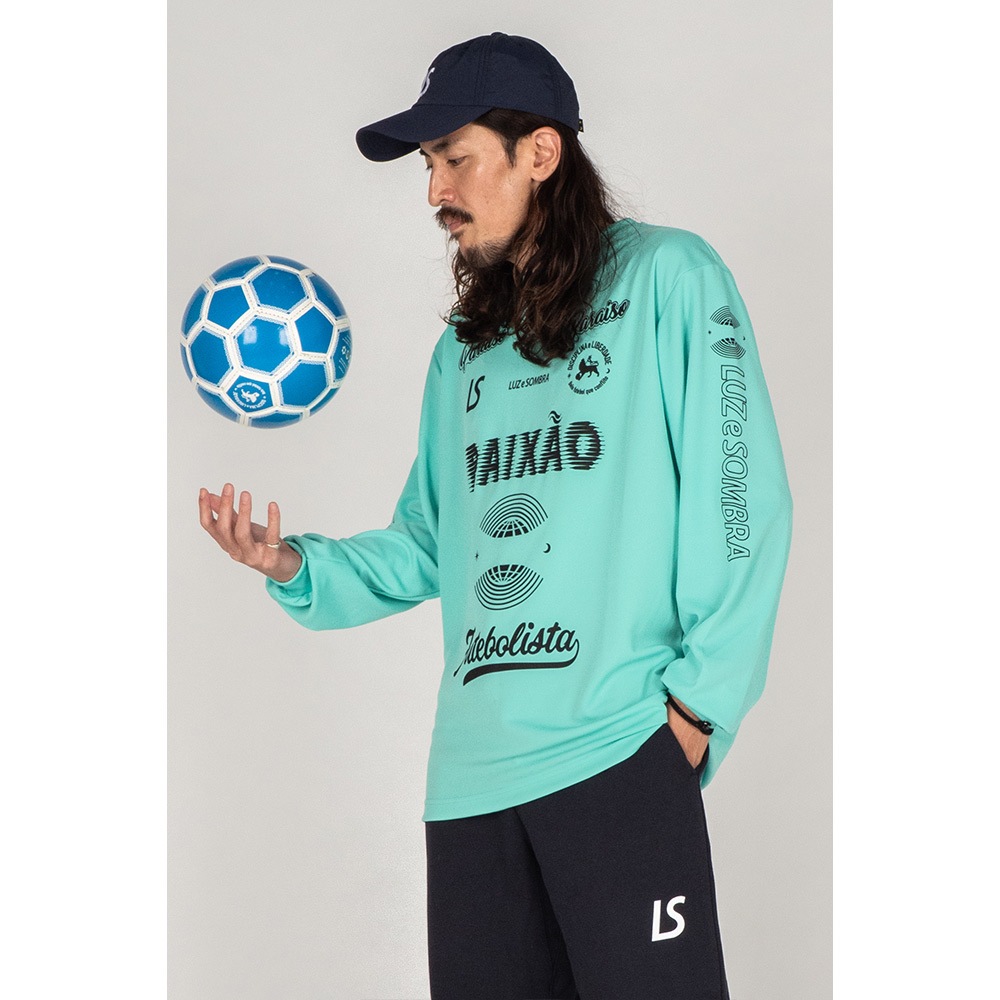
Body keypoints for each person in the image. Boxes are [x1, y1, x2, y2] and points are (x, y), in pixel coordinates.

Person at [199, 31, 792, 1000]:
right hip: (471, 788)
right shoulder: (466, 351)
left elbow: (743, 501)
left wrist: (697, 710)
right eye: (429, 165)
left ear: (540, 152)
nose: (435, 189)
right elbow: (432, 542)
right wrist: (294, 565)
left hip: (617, 753)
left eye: (455, 157)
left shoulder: (671, 279)